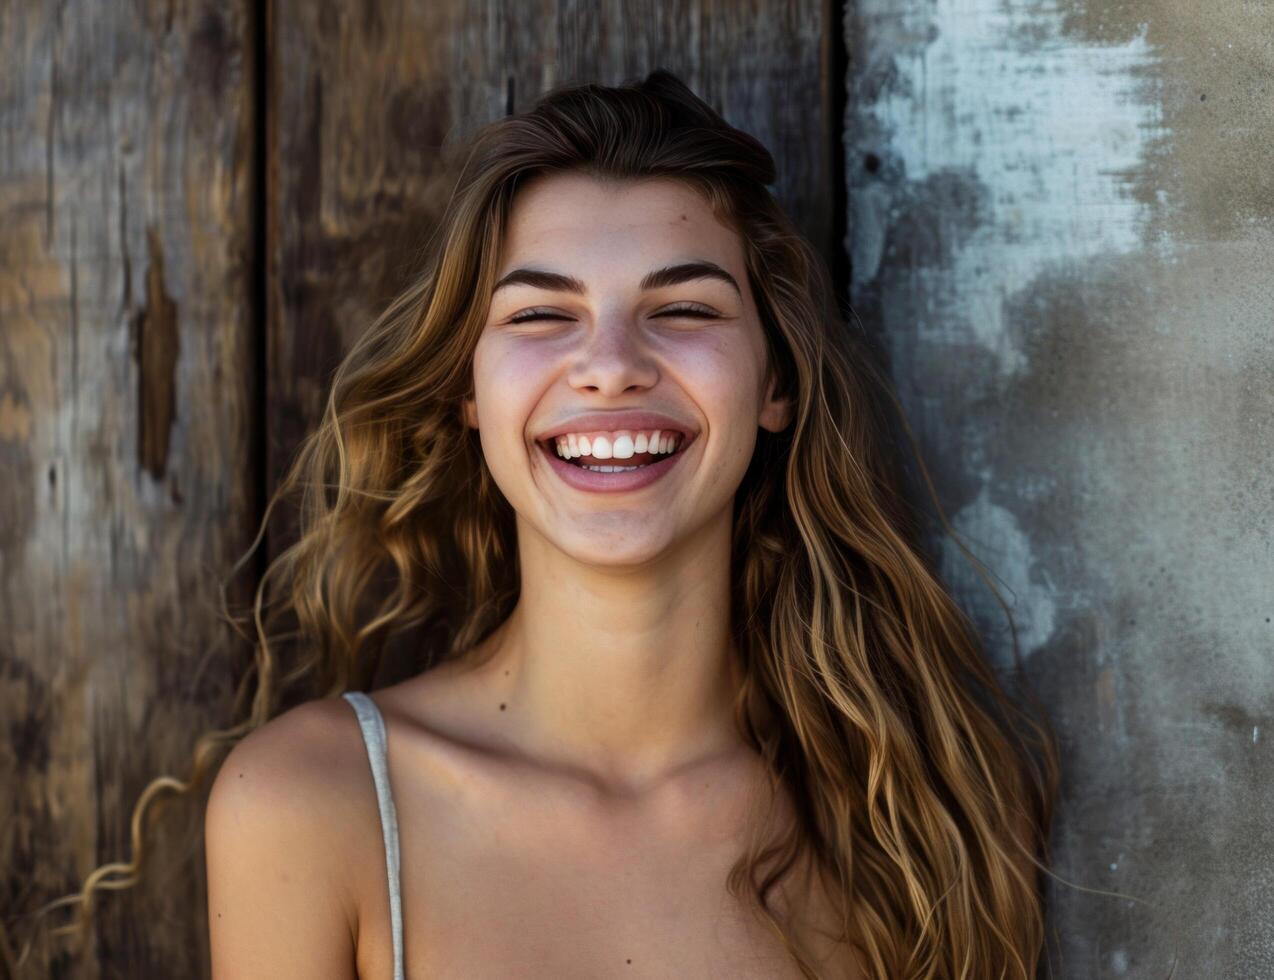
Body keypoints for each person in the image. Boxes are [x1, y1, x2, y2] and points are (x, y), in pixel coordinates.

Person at [192, 69, 1058, 978]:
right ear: (467, 391)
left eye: (682, 309)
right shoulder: (314, 806)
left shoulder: (924, 815)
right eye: (539, 314)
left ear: (775, 382)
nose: (610, 368)